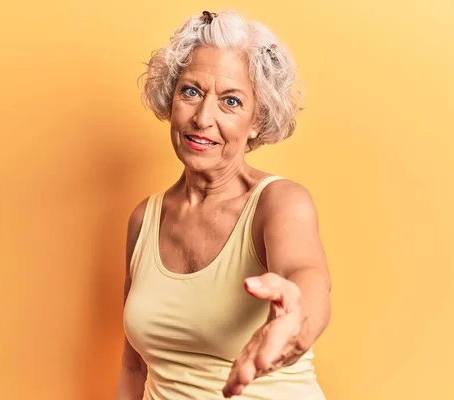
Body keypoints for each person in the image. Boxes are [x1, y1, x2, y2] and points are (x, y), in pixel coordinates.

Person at [117, 10, 332, 400]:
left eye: (230, 101)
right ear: (170, 98)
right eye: (191, 91)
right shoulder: (143, 219)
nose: (202, 118)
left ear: (256, 120)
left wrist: (296, 318)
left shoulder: (279, 202)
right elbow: (133, 366)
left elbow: (307, 278)